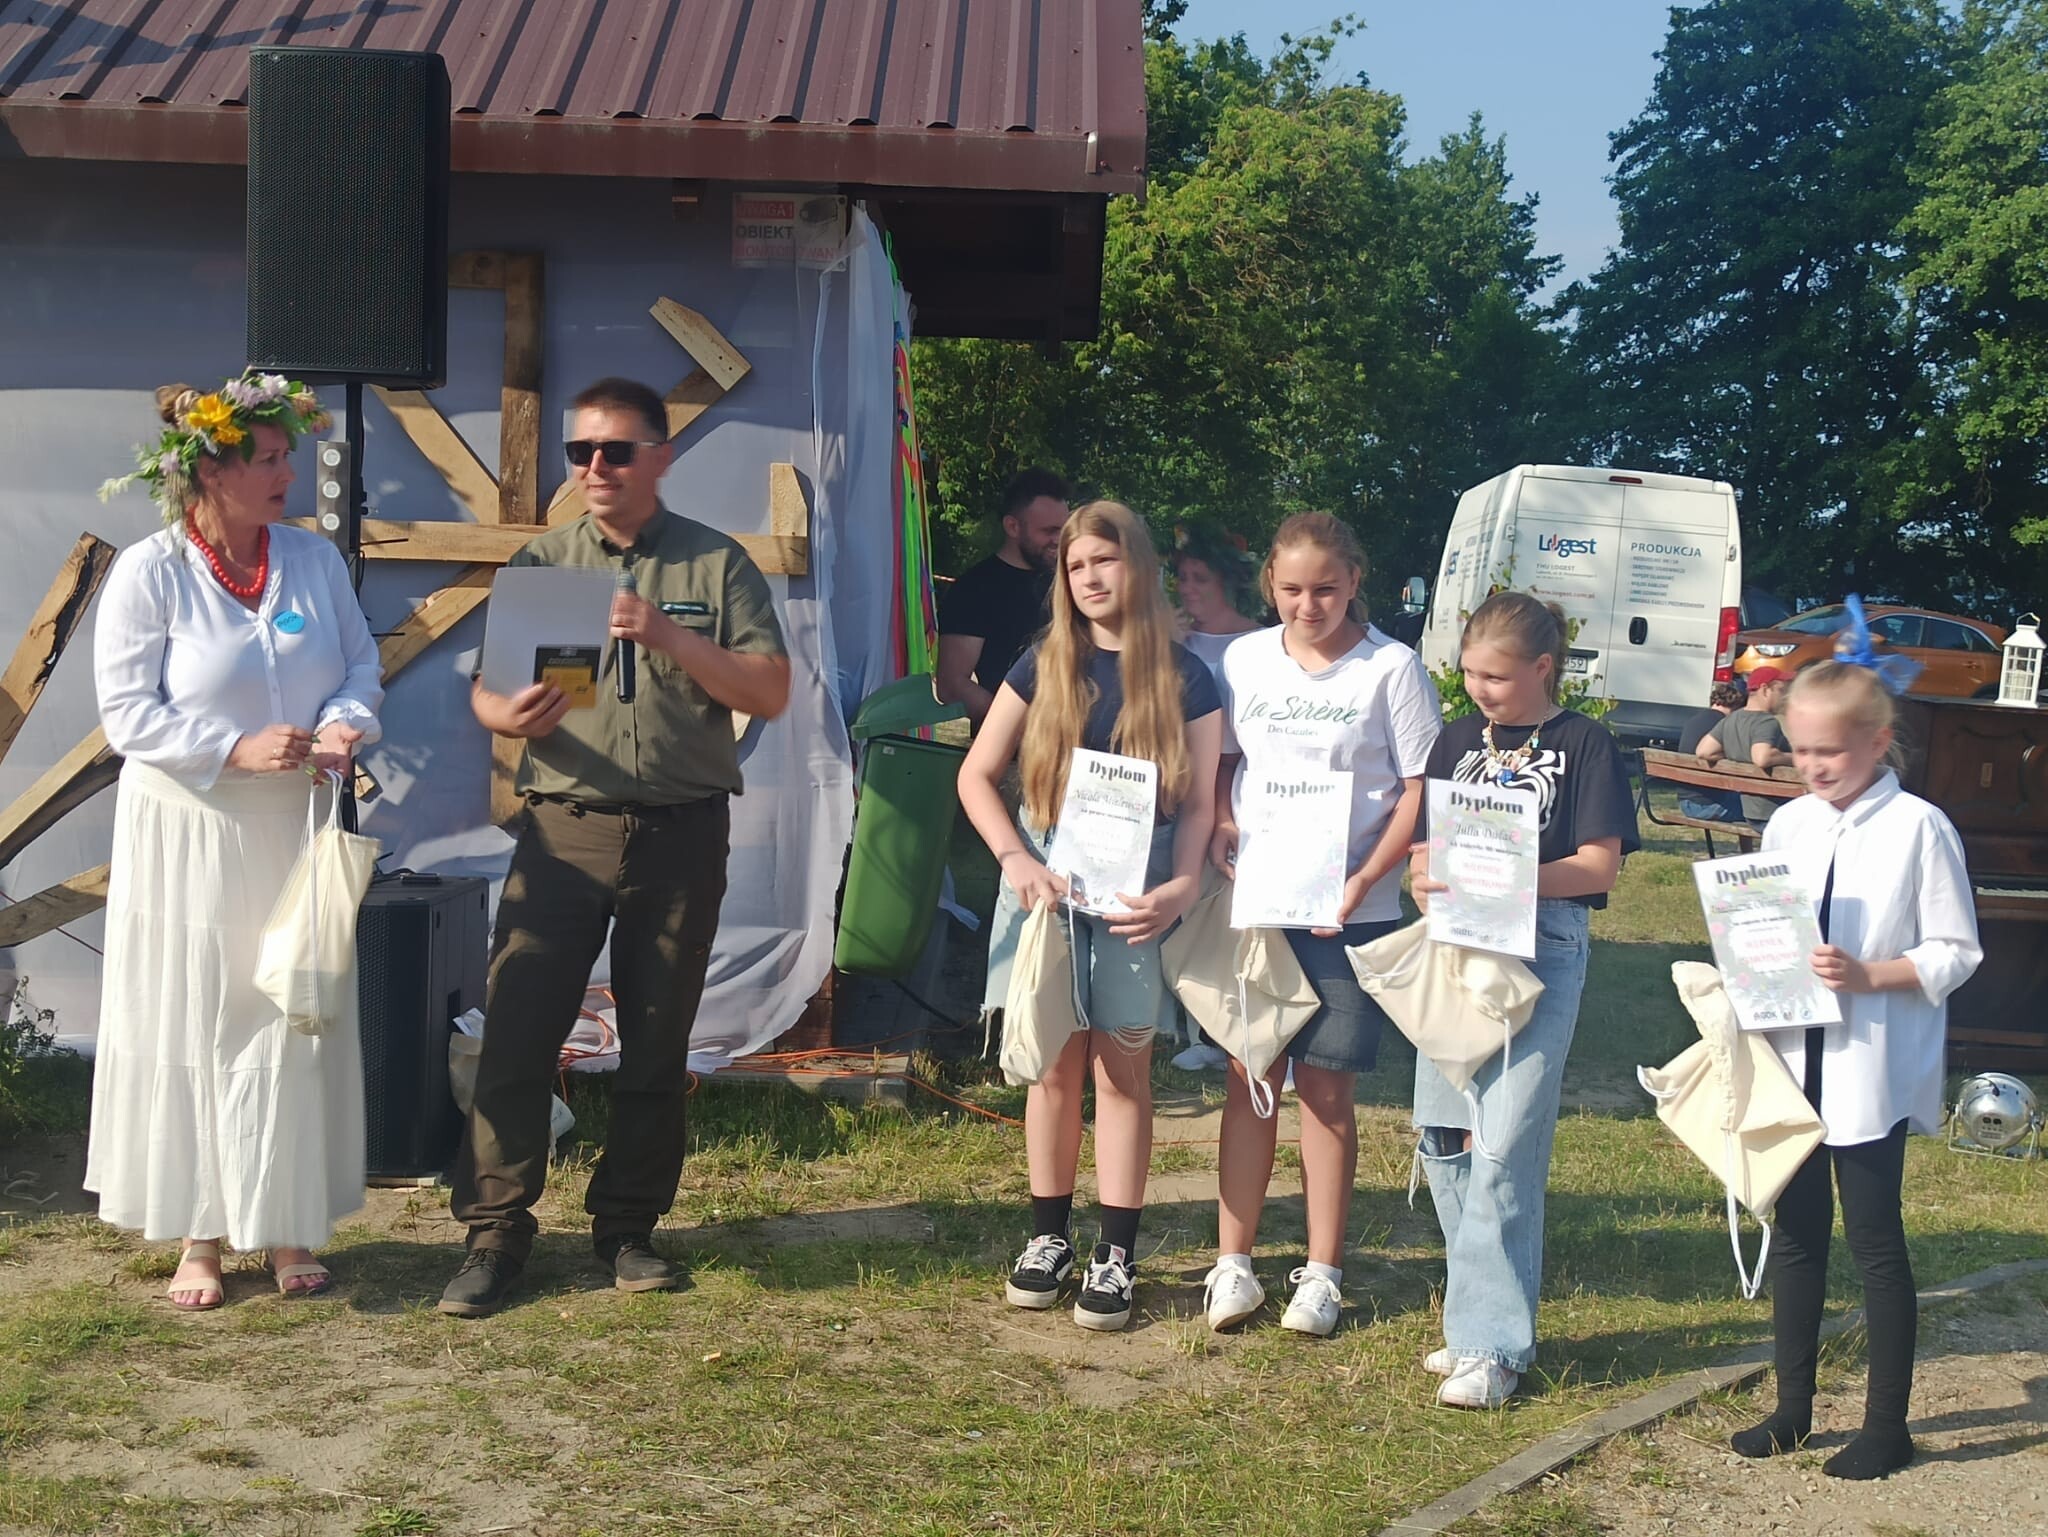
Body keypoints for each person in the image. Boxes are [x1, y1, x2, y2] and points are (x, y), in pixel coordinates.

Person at [439, 378, 791, 1318]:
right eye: (580, 451)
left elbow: (768, 691)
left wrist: (668, 634)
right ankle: (495, 1232)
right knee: (520, 1029)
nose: (595, 466)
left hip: (680, 830)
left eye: (616, 450)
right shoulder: (545, 562)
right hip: (565, 828)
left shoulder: (715, 565)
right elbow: (486, 687)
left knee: (657, 1037)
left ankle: (628, 1227)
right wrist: (505, 713)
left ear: (660, 458)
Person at [89, 374, 382, 1309]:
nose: (288, 473)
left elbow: (361, 663)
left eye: (288, 455)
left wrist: (341, 723)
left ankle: (288, 1222)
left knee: (289, 1011)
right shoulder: (153, 571)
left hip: (292, 827)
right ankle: (201, 1235)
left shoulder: (313, 561)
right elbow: (128, 714)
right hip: (191, 830)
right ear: (210, 472)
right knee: (199, 1015)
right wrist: (233, 748)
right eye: (268, 459)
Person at [959, 501, 1221, 1332]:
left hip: (1136, 899)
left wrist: (1182, 885)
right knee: (1052, 1068)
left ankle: (1116, 1252)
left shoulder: (1186, 677)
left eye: (1103, 560)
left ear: (1137, 566)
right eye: (1075, 566)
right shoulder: (1042, 663)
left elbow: (1203, 804)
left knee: (1122, 1072)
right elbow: (976, 774)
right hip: (1047, 894)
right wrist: (1015, 858)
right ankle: (1049, 1239)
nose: (1089, 577)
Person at [1730, 660, 1980, 1480]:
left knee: (1874, 1239)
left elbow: (1956, 949)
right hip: (1792, 1058)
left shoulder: (1919, 828)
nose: (1812, 766)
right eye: (1800, 750)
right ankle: (1793, 1407)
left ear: (1878, 741)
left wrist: (1871, 974)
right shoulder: (1788, 825)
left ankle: (1886, 1424)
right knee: (1797, 1233)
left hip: (1870, 1066)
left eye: (1829, 751)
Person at [1203, 514, 1440, 1335]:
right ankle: (1233, 1263)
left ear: (1354, 582)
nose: (1310, 605)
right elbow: (1226, 762)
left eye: (1327, 589)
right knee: (1252, 1075)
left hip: (1350, 914)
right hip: (1262, 904)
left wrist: (1367, 876)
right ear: (1270, 584)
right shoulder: (1243, 659)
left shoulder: (1392, 668)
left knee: (1328, 1089)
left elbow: (1419, 788)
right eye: (1293, 589)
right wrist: (1223, 822)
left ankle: (1323, 1271)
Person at [1408, 592, 1638, 1408]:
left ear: (1544, 667)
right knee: (1445, 1135)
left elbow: (1600, 865)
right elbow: (1426, 846)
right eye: (1470, 673)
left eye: (1496, 677)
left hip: (1544, 945)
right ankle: (1475, 1311)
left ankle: (1493, 1344)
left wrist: (1508, 878)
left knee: (1505, 1140)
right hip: (1456, 947)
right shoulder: (1456, 739)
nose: (1479, 690)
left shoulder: (1585, 744)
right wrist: (1424, 878)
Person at [1167, 522, 1266, 1072]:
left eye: (1199, 578)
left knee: (1233, 916)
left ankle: (1246, 1028)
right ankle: (1196, 1027)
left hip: (1233, 793)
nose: (1188, 588)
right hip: (1177, 788)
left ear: (1226, 581)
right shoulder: (1171, 639)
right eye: (1182, 577)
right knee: (1188, 915)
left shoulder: (1260, 643)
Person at [936, 469, 1070, 727]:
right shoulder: (975, 589)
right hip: (1010, 747)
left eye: (1064, 530)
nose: (1059, 540)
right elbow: (952, 685)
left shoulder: (1072, 582)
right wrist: (1018, 728)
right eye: (1049, 531)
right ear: (1012, 526)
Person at [1698, 666, 1793, 824]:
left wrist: (1736, 754)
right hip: (1772, 812)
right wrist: (1797, 758)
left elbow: (1704, 751)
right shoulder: (1766, 722)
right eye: (1781, 690)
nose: (1784, 697)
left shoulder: (1731, 719)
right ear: (1765, 689)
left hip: (1749, 811)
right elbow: (1762, 757)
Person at [1674, 679, 1748, 822]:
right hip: (1708, 805)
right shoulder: (1725, 725)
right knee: (1763, 810)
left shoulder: (1694, 721)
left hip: (1686, 801)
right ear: (1739, 705)